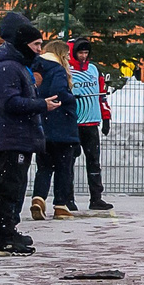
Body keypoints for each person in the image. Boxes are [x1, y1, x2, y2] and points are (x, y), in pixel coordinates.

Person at [0, 12, 55, 255]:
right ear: (24, 43)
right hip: (13, 137)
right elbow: (10, 103)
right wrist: (41, 105)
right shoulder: (8, 67)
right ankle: (3, 236)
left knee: (16, 185)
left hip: (19, 137)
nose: (39, 50)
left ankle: (9, 230)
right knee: (10, 187)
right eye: (36, 44)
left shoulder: (17, 66)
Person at [29, 38, 82, 219]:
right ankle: (61, 205)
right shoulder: (57, 69)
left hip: (42, 125)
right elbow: (58, 91)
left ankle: (38, 198)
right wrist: (70, 98)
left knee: (43, 167)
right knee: (63, 167)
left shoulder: (36, 66)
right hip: (62, 126)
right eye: (66, 55)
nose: (68, 58)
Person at [65, 39, 113, 214]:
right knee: (69, 162)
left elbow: (102, 95)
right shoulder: (67, 70)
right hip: (73, 123)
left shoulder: (93, 69)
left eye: (86, 53)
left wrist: (106, 117)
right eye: (80, 53)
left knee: (94, 162)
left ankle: (96, 198)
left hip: (92, 123)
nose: (84, 56)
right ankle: (67, 198)